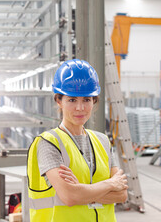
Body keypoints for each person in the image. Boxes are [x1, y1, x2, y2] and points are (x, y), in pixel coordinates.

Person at [27, 59, 128, 221]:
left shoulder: (102, 141)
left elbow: (122, 195)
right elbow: (69, 197)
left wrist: (83, 191)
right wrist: (109, 185)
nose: (80, 108)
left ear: (94, 101)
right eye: (72, 100)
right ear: (59, 101)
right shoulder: (49, 143)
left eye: (86, 100)